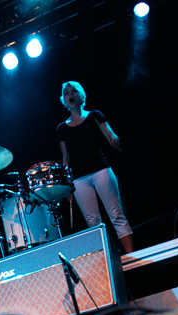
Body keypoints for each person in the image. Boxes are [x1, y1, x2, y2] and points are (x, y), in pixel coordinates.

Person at [57, 81, 134, 254]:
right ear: (64, 99)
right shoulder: (61, 128)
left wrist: (114, 140)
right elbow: (66, 159)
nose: (70, 94)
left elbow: (112, 136)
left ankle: (132, 256)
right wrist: (67, 186)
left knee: (116, 214)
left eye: (73, 91)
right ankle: (106, 260)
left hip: (101, 171)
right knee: (93, 223)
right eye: (66, 92)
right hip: (79, 179)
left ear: (81, 95)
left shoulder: (94, 116)